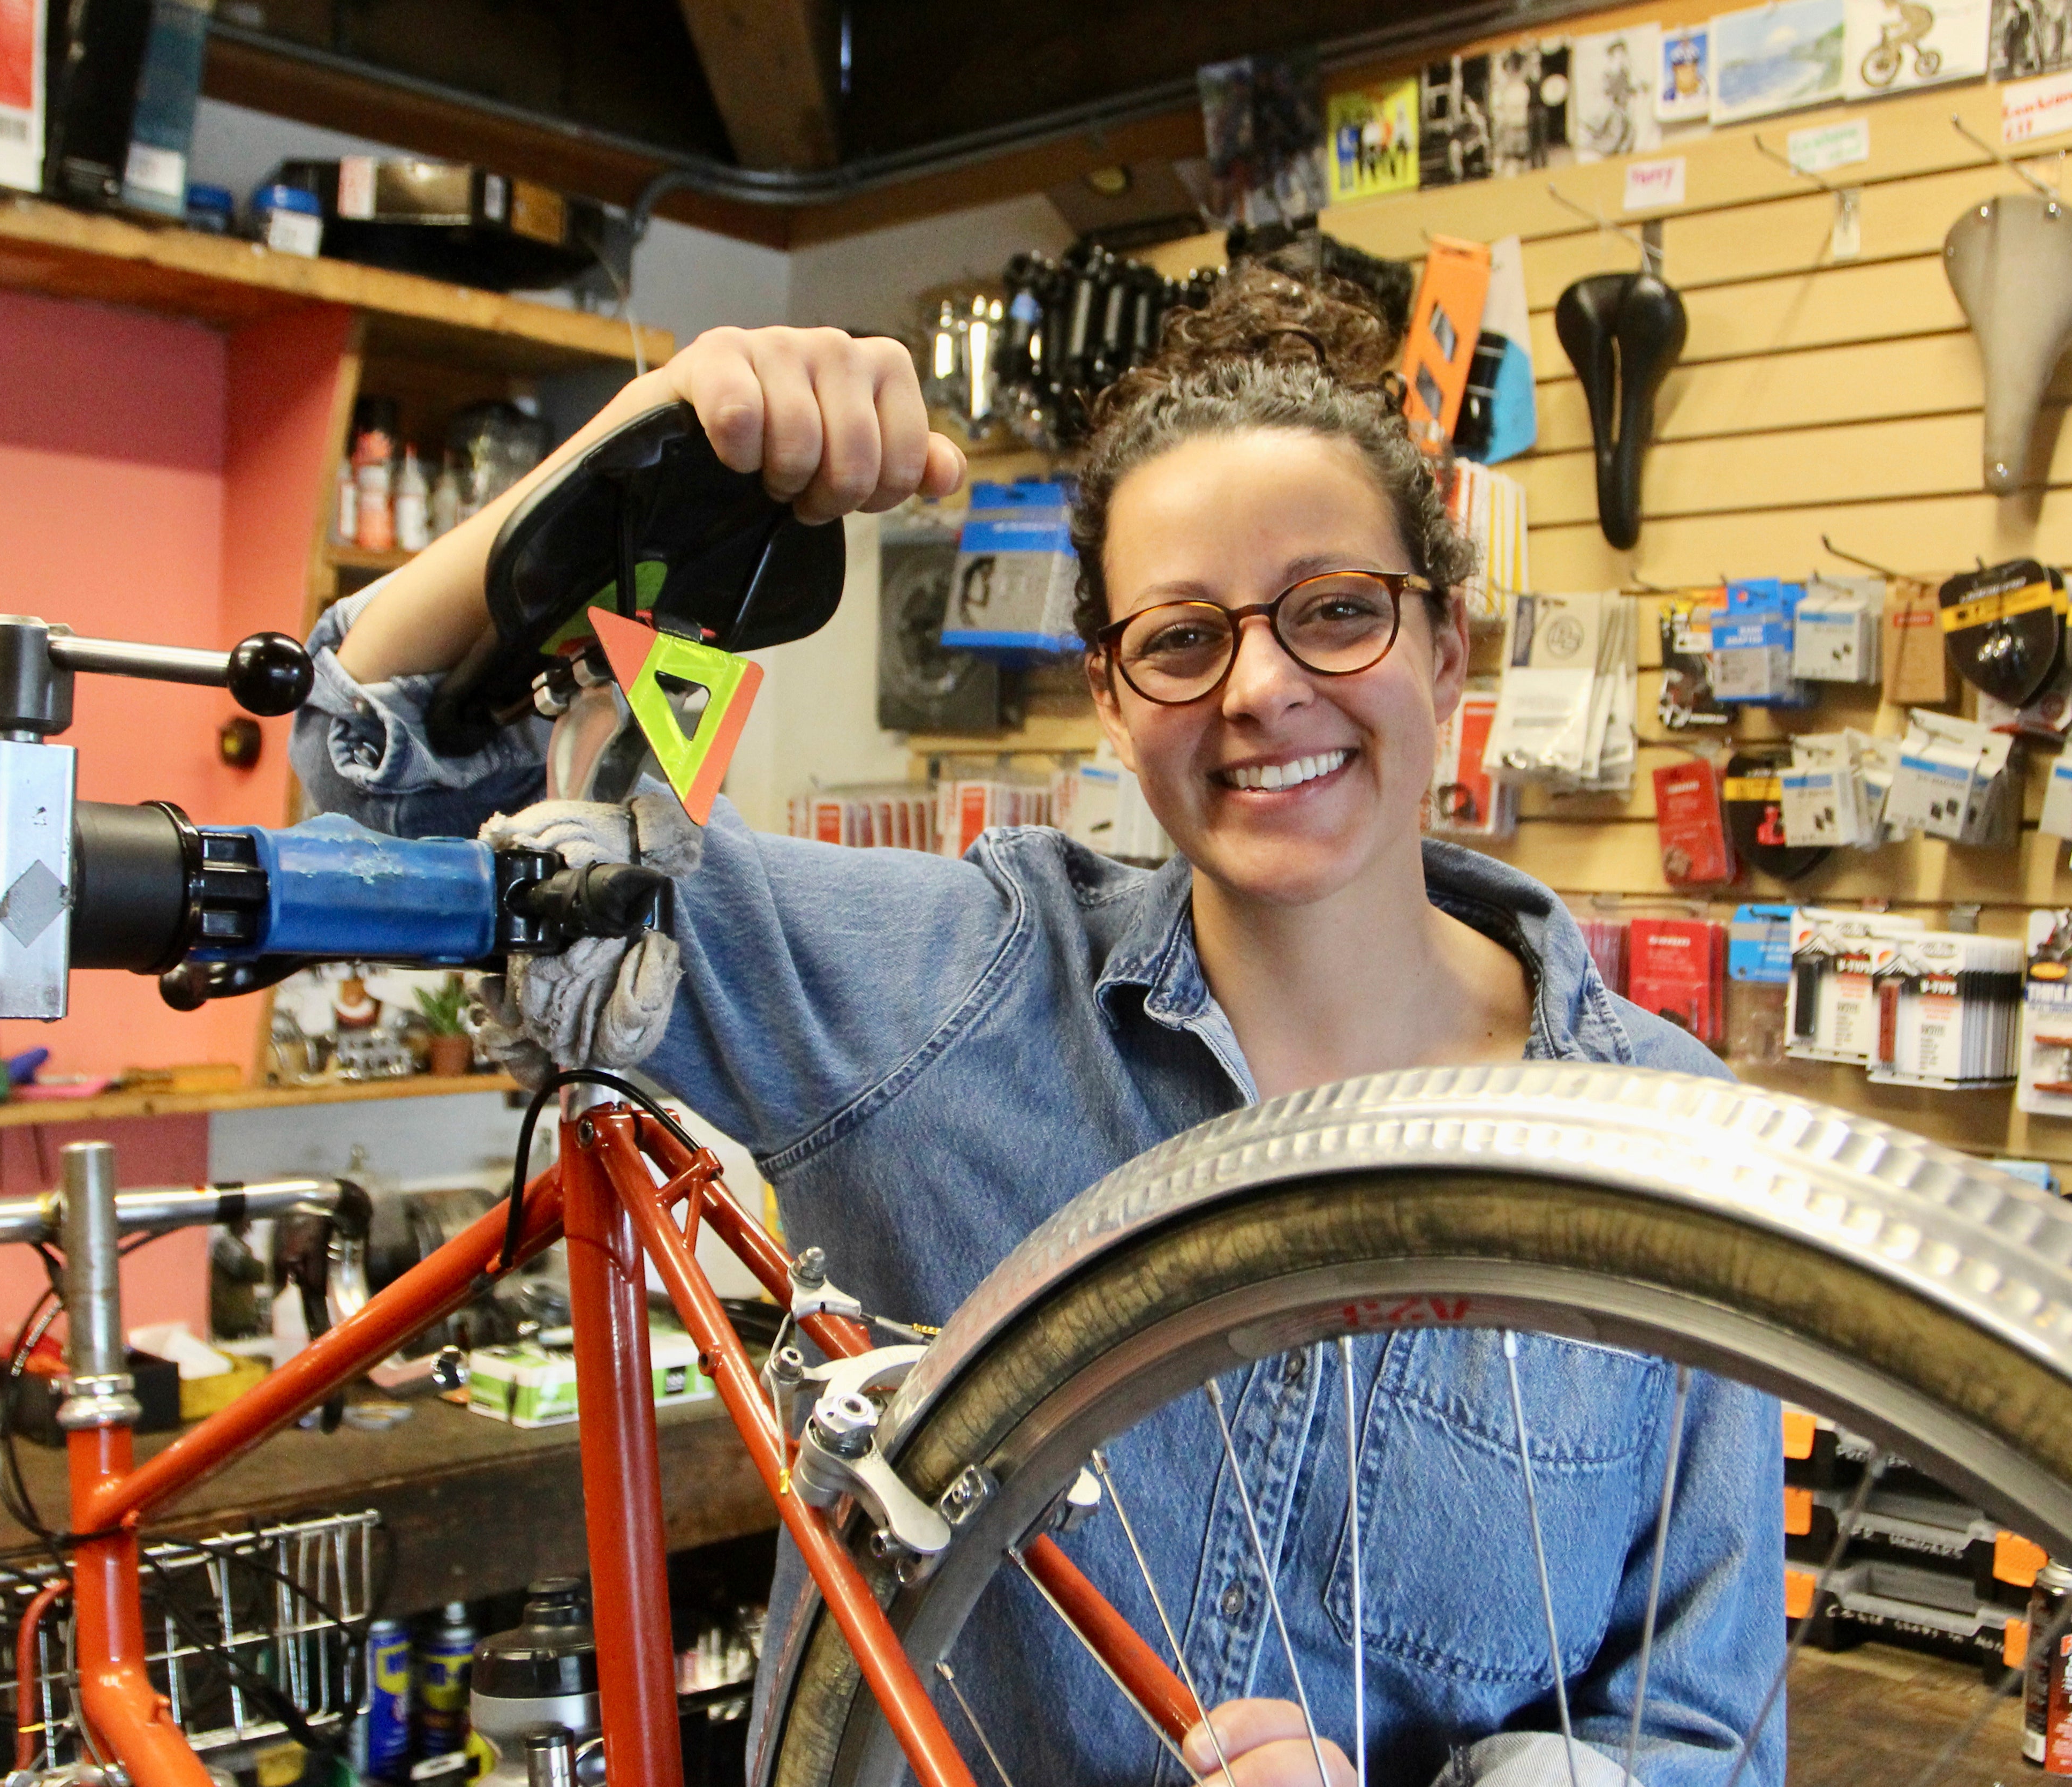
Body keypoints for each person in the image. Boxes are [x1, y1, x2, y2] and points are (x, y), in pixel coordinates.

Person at [292, 268, 1782, 1787]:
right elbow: (410, 811)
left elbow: (1698, 1735)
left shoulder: (1660, 1145)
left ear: (1447, 647)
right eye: (1184, 639)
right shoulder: (947, 996)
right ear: (1110, 701)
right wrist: (626, 452)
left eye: (1338, 612)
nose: (1265, 687)